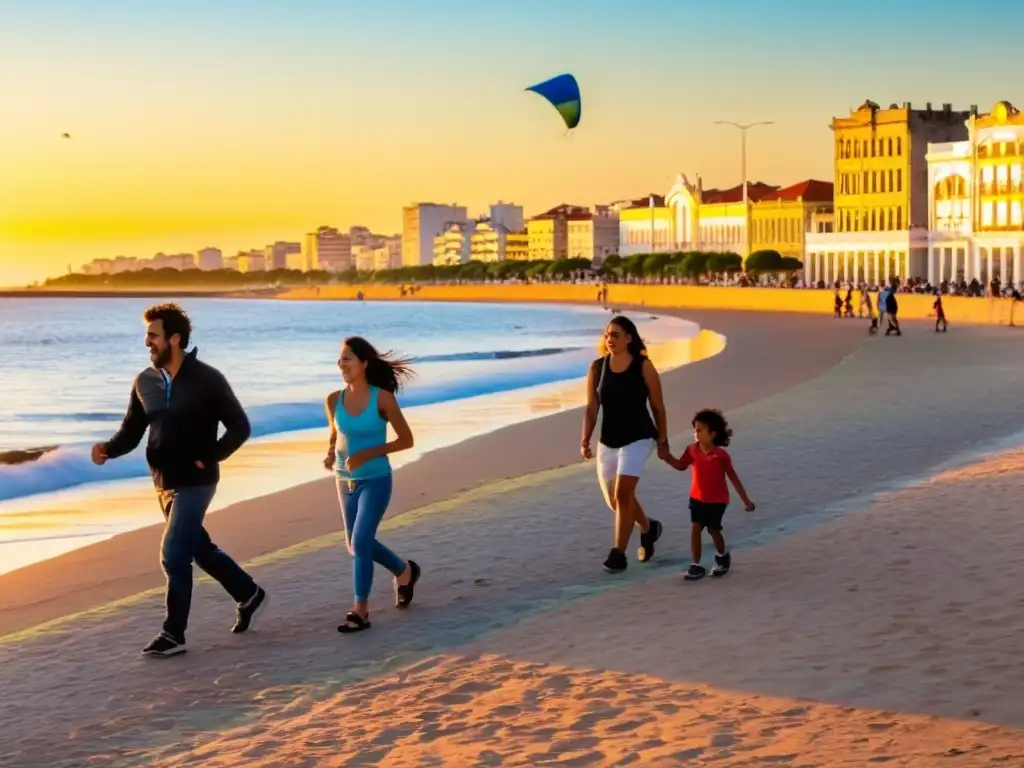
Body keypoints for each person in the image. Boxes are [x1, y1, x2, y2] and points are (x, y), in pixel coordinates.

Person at [91, 303, 267, 658]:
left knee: (173, 555)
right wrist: (108, 449)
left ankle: (173, 634)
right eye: (146, 336)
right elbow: (132, 430)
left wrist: (212, 455)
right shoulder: (145, 381)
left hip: (197, 481)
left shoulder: (207, 379)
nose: (147, 343)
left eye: (153, 336)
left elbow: (240, 426)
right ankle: (248, 594)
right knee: (198, 548)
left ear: (174, 338)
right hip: (163, 481)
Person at [324, 336, 420, 633]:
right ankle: (405, 572)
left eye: (348, 359)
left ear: (364, 364)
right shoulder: (333, 400)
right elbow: (335, 436)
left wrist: (367, 453)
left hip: (376, 479)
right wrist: (330, 454)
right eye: (340, 360)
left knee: (362, 541)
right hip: (344, 481)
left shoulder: (382, 398)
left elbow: (407, 440)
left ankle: (360, 611)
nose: (342, 365)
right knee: (356, 545)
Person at [581, 315, 669, 573]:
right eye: (608, 335)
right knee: (616, 500)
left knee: (623, 493)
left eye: (616, 335)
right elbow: (591, 407)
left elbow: (657, 406)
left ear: (629, 338)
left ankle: (618, 554)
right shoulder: (598, 368)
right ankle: (649, 528)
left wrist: (663, 440)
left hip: (639, 437)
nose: (610, 339)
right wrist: (585, 438)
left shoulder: (643, 366)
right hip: (608, 440)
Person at [665, 409, 755, 581]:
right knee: (695, 527)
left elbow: (733, 478)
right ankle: (696, 565)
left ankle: (722, 555)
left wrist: (746, 501)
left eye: (700, 430)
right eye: (695, 430)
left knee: (714, 530)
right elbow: (680, 465)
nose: (695, 433)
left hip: (717, 501)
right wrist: (667, 457)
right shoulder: (691, 450)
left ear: (712, 433)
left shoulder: (721, 455)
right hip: (697, 498)